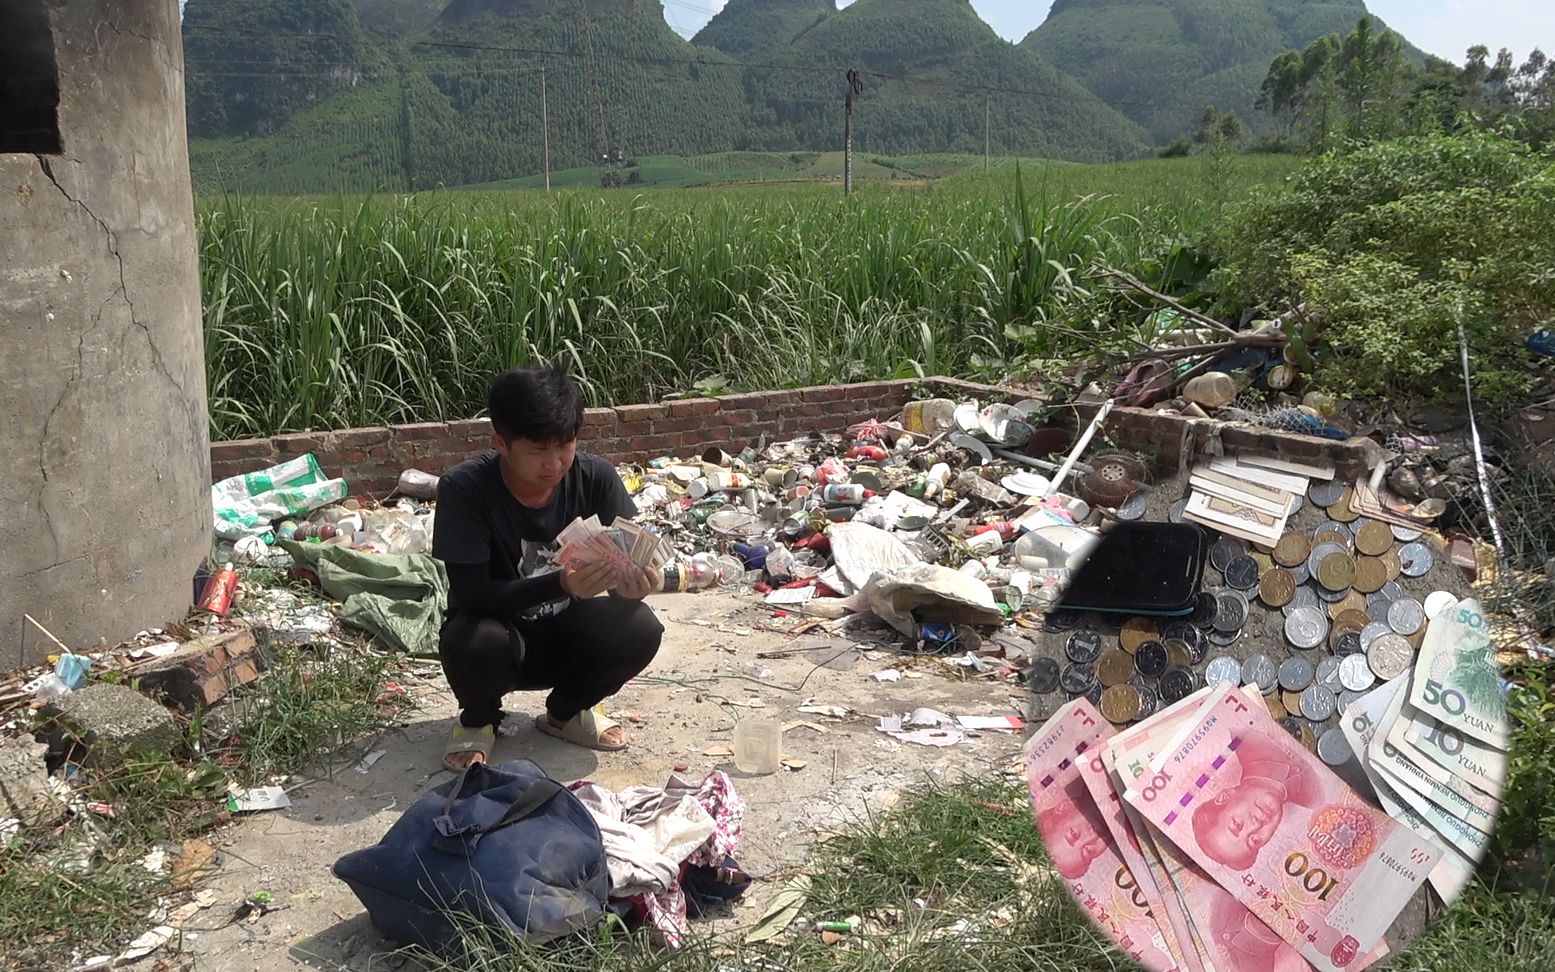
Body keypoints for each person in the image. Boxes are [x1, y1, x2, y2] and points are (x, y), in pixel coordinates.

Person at [431, 364, 664, 770]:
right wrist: (562, 583)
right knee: (469, 640)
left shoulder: (597, 478)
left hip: (569, 634)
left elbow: (624, 579)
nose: (555, 464)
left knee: (642, 626)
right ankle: (479, 720)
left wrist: (635, 584)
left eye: (565, 446)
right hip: (500, 639)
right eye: (538, 450)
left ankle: (566, 712)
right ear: (501, 443)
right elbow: (471, 594)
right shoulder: (465, 489)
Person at [1189, 729, 1322, 871]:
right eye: (1254, 841)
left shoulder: (1244, 733)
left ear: (1224, 797)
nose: (1255, 826)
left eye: (1237, 824)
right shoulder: (1316, 801)